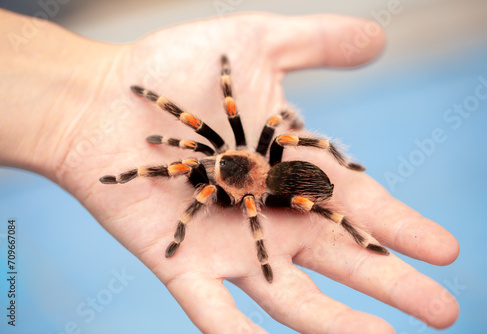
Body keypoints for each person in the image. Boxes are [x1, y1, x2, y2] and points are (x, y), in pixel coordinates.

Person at [0, 8, 459, 333]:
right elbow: (200, 147)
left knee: (291, 166)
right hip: (263, 175)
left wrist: (246, 247)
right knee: (221, 138)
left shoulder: (239, 184)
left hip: (277, 185)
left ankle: (356, 231)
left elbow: (245, 186)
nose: (202, 166)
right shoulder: (216, 159)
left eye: (207, 165)